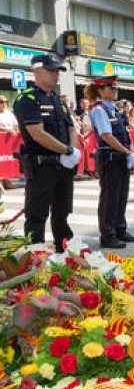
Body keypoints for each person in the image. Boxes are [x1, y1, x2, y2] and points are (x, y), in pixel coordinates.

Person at [13, 54, 81, 252]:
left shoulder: (58, 99)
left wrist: (73, 151)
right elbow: (38, 134)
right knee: (37, 214)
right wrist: (67, 150)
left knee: (62, 212)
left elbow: (71, 128)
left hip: (63, 165)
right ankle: (36, 255)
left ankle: (66, 250)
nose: (56, 75)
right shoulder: (27, 99)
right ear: (37, 71)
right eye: (52, 70)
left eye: (57, 71)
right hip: (42, 166)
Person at [85, 76, 134, 249]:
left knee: (121, 196)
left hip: (120, 157)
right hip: (109, 158)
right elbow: (106, 136)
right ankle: (108, 235)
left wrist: (129, 151)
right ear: (101, 90)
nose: (115, 90)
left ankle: (120, 229)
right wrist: (126, 151)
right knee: (110, 198)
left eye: (115, 87)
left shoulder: (113, 109)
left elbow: (123, 132)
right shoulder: (100, 109)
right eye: (111, 87)